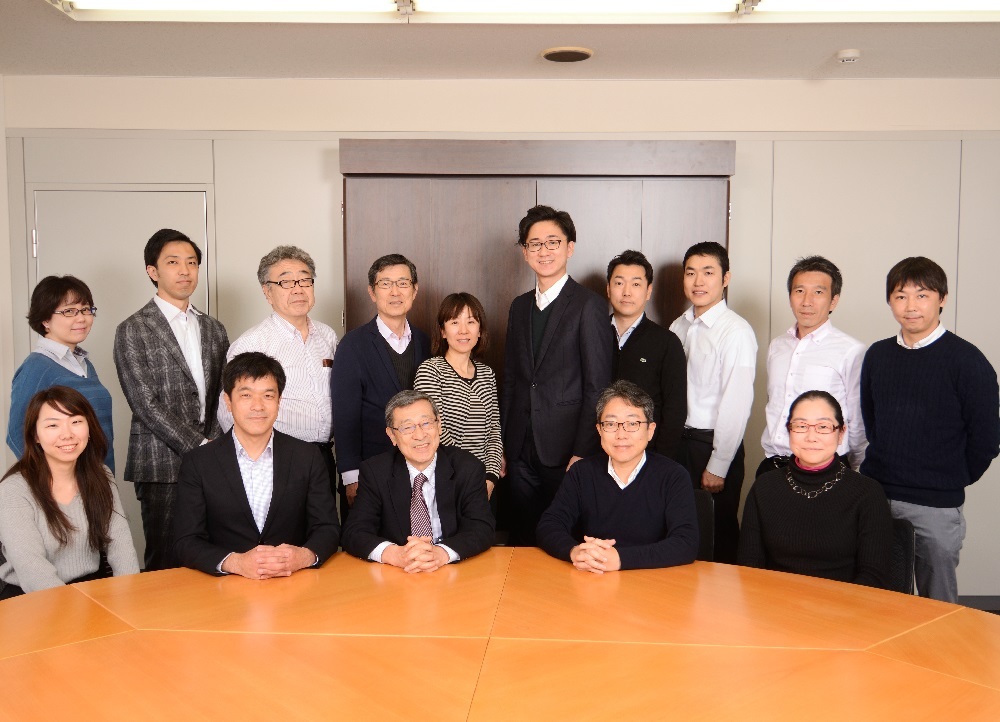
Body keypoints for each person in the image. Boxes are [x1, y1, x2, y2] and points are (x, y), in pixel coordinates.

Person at [861, 257, 1000, 602]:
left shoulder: (967, 360)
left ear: (942, 299)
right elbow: (871, 419)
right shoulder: (877, 355)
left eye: (922, 295)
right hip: (877, 495)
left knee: (937, 603)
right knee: (878, 599)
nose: (911, 306)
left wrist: (951, 477)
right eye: (901, 296)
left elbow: (987, 437)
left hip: (935, 504)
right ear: (890, 301)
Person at [113, 228, 230, 571]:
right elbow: (144, 403)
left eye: (192, 263)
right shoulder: (133, 328)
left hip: (214, 458)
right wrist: (200, 446)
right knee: (166, 560)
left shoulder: (214, 329)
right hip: (161, 464)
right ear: (153, 271)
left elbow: (223, 394)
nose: (185, 271)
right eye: (173, 262)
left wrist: (215, 446)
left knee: (213, 555)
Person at [503, 205, 614, 546]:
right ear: (525, 252)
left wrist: (583, 450)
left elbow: (598, 385)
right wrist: (505, 444)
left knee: (564, 540)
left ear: (570, 247)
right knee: (522, 540)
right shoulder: (519, 306)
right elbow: (511, 379)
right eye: (535, 244)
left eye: (553, 242)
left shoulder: (588, 305)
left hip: (567, 451)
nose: (544, 251)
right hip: (520, 449)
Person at [174, 352, 340, 578]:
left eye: (268, 396)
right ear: (228, 401)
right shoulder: (198, 462)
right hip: (224, 588)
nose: (258, 406)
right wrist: (236, 563)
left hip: (293, 583)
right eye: (246, 395)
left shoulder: (307, 456)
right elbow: (186, 541)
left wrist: (303, 556)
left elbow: (327, 528)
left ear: (279, 401)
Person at [537, 381, 698, 573]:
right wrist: (574, 551)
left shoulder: (673, 476)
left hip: (653, 581)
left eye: (632, 424)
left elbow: (686, 543)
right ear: (599, 430)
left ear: (650, 431)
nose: (621, 434)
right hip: (592, 578)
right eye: (611, 424)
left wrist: (621, 559)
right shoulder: (581, 472)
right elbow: (549, 525)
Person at [739, 391, 892, 588]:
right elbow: (749, 567)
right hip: (774, 600)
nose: (811, 437)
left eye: (823, 427)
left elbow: (874, 577)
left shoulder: (867, 493)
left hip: (843, 604)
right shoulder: (764, 486)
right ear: (789, 430)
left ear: (841, 433)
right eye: (801, 426)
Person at [0, 386, 139, 599]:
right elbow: (32, 570)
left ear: (89, 428)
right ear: (35, 435)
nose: (67, 434)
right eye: (53, 425)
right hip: (30, 598)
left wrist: (130, 597)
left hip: (91, 590)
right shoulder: (14, 490)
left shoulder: (101, 475)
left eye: (76, 422)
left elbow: (121, 547)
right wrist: (74, 610)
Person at [219, 246, 338, 493]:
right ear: (267, 292)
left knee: (324, 518)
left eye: (305, 280)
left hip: (324, 456)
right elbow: (228, 411)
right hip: (276, 458)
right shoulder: (253, 343)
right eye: (286, 282)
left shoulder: (327, 336)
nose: (298, 289)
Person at [669, 241, 757, 564]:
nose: (698, 282)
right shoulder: (678, 326)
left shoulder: (736, 331)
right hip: (678, 444)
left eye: (708, 273)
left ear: (725, 278)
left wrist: (718, 464)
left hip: (711, 446)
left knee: (717, 538)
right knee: (680, 531)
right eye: (690, 273)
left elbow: (737, 402)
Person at [342, 390, 494, 571]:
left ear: (439, 425)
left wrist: (441, 553)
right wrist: (395, 554)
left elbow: (481, 527)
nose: (420, 435)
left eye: (426, 423)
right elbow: (354, 531)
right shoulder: (375, 471)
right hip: (397, 573)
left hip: (453, 570)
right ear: (392, 435)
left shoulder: (468, 467)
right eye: (407, 427)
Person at [331, 254, 431, 522]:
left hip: (419, 470)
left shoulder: (425, 341)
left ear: (415, 290)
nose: (395, 292)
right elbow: (345, 416)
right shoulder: (353, 345)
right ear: (372, 292)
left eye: (403, 283)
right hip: (370, 472)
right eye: (385, 283)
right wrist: (351, 477)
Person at [759, 256, 866, 477]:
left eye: (818, 292)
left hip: (826, 469)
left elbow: (858, 421)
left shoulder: (851, 350)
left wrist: (849, 467)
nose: (807, 301)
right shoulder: (777, 346)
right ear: (790, 297)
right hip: (773, 465)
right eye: (799, 291)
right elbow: (775, 404)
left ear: (833, 301)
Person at [8, 275, 115, 471]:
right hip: (66, 484)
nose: (81, 318)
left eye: (86, 309)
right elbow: (17, 434)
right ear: (45, 320)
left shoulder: (84, 364)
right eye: (69, 311)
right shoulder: (36, 367)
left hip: (99, 478)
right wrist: (53, 481)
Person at [414, 292, 501, 501]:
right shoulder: (430, 371)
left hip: (484, 483)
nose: (463, 330)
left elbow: (494, 431)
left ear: (480, 330)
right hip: (447, 481)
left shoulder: (487, 374)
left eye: (471, 322)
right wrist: (468, 477)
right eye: (454, 322)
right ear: (443, 331)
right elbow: (434, 430)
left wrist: (490, 478)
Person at [606, 250, 686, 461]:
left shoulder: (667, 343)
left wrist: (659, 461)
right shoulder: (592, 334)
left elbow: (675, 411)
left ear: (648, 291)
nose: (627, 292)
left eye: (636, 284)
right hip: (596, 453)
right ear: (608, 289)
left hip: (648, 457)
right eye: (619, 283)